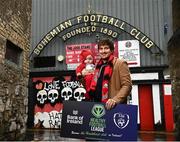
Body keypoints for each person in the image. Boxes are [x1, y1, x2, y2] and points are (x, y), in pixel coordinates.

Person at [89, 38, 132, 110]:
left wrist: (115, 100)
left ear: (111, 50)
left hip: (113, 107)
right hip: (97, 106)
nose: (103, 51)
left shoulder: (120, 63)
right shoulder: (98, 66)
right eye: (101, 49)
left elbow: (127, 86)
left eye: (106, 48)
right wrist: (82, 77)